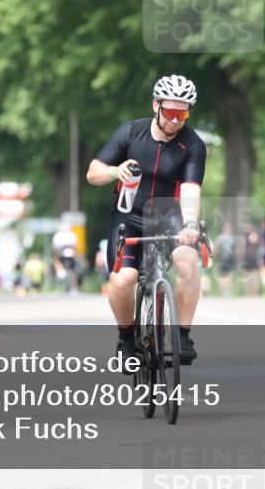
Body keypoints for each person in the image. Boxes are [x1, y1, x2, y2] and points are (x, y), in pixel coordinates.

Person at [86, 74, 206, 367]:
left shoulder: (193, 145)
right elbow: (93, 173)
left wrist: (190, 223)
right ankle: (127, 337)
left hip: (168, 216)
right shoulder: (130, 133)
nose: (176, 120)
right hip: (128, 216)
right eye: (170, 112)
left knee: (188, 259)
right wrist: (116, 172)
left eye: (183, 113)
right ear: (156, 105)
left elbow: (191, 187)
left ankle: (183, 336)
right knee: (124, 279)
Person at [51, 225, 79, 293]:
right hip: (71, 254)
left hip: (61, 254)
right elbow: (75, 246)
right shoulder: (72, 235)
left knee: (55, 260)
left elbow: (55, 247)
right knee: (73, 270)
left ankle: (60, 270)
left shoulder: (58, 235)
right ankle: (74, 287)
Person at [214, 224, 238, 297]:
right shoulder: (220, 238)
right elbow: (216, 248)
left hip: (230, 259)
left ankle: (227, 291)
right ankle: (223, 291)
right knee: (222, 276)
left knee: (230, 275)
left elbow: (236, 250)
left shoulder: (233, 238)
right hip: (222, 258)